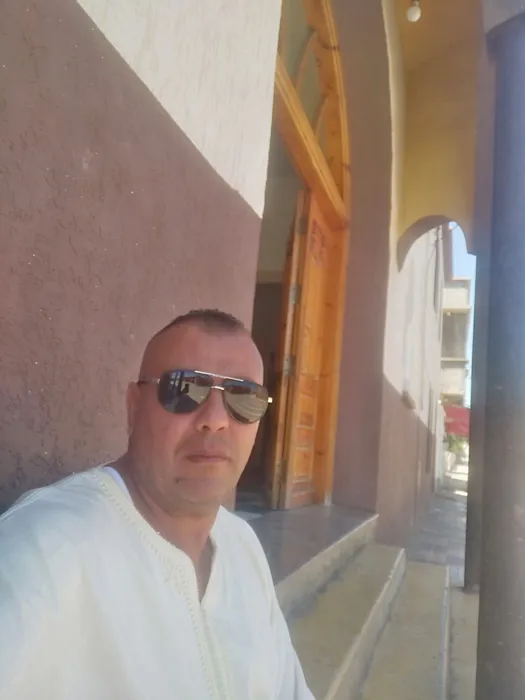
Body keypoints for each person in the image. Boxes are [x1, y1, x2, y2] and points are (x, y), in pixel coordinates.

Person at [0, 309, 314, 700]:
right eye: (184, 389)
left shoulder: (244, 546)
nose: (216, 419)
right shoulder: (44, 552)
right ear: (134, 407)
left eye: (244, 397)